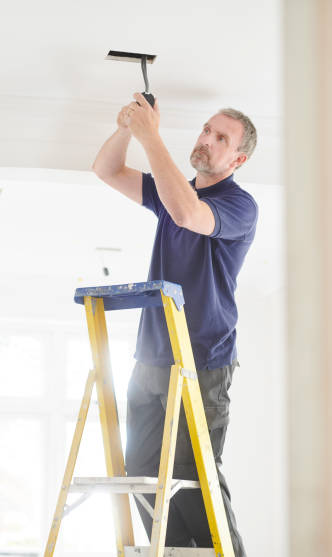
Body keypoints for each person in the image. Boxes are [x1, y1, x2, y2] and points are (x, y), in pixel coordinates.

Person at [92, 93, 258, 556]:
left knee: (194, 469)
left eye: (220, 137)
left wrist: (150, 137)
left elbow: (189, 214)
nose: (206, 139)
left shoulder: (239, 205)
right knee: (142, 468)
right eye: (206, 129)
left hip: (201, 358)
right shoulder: (170, 193)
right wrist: (128, 127)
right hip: (150, 357)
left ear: (238, 158)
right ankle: (176, 551)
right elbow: (106, 170)